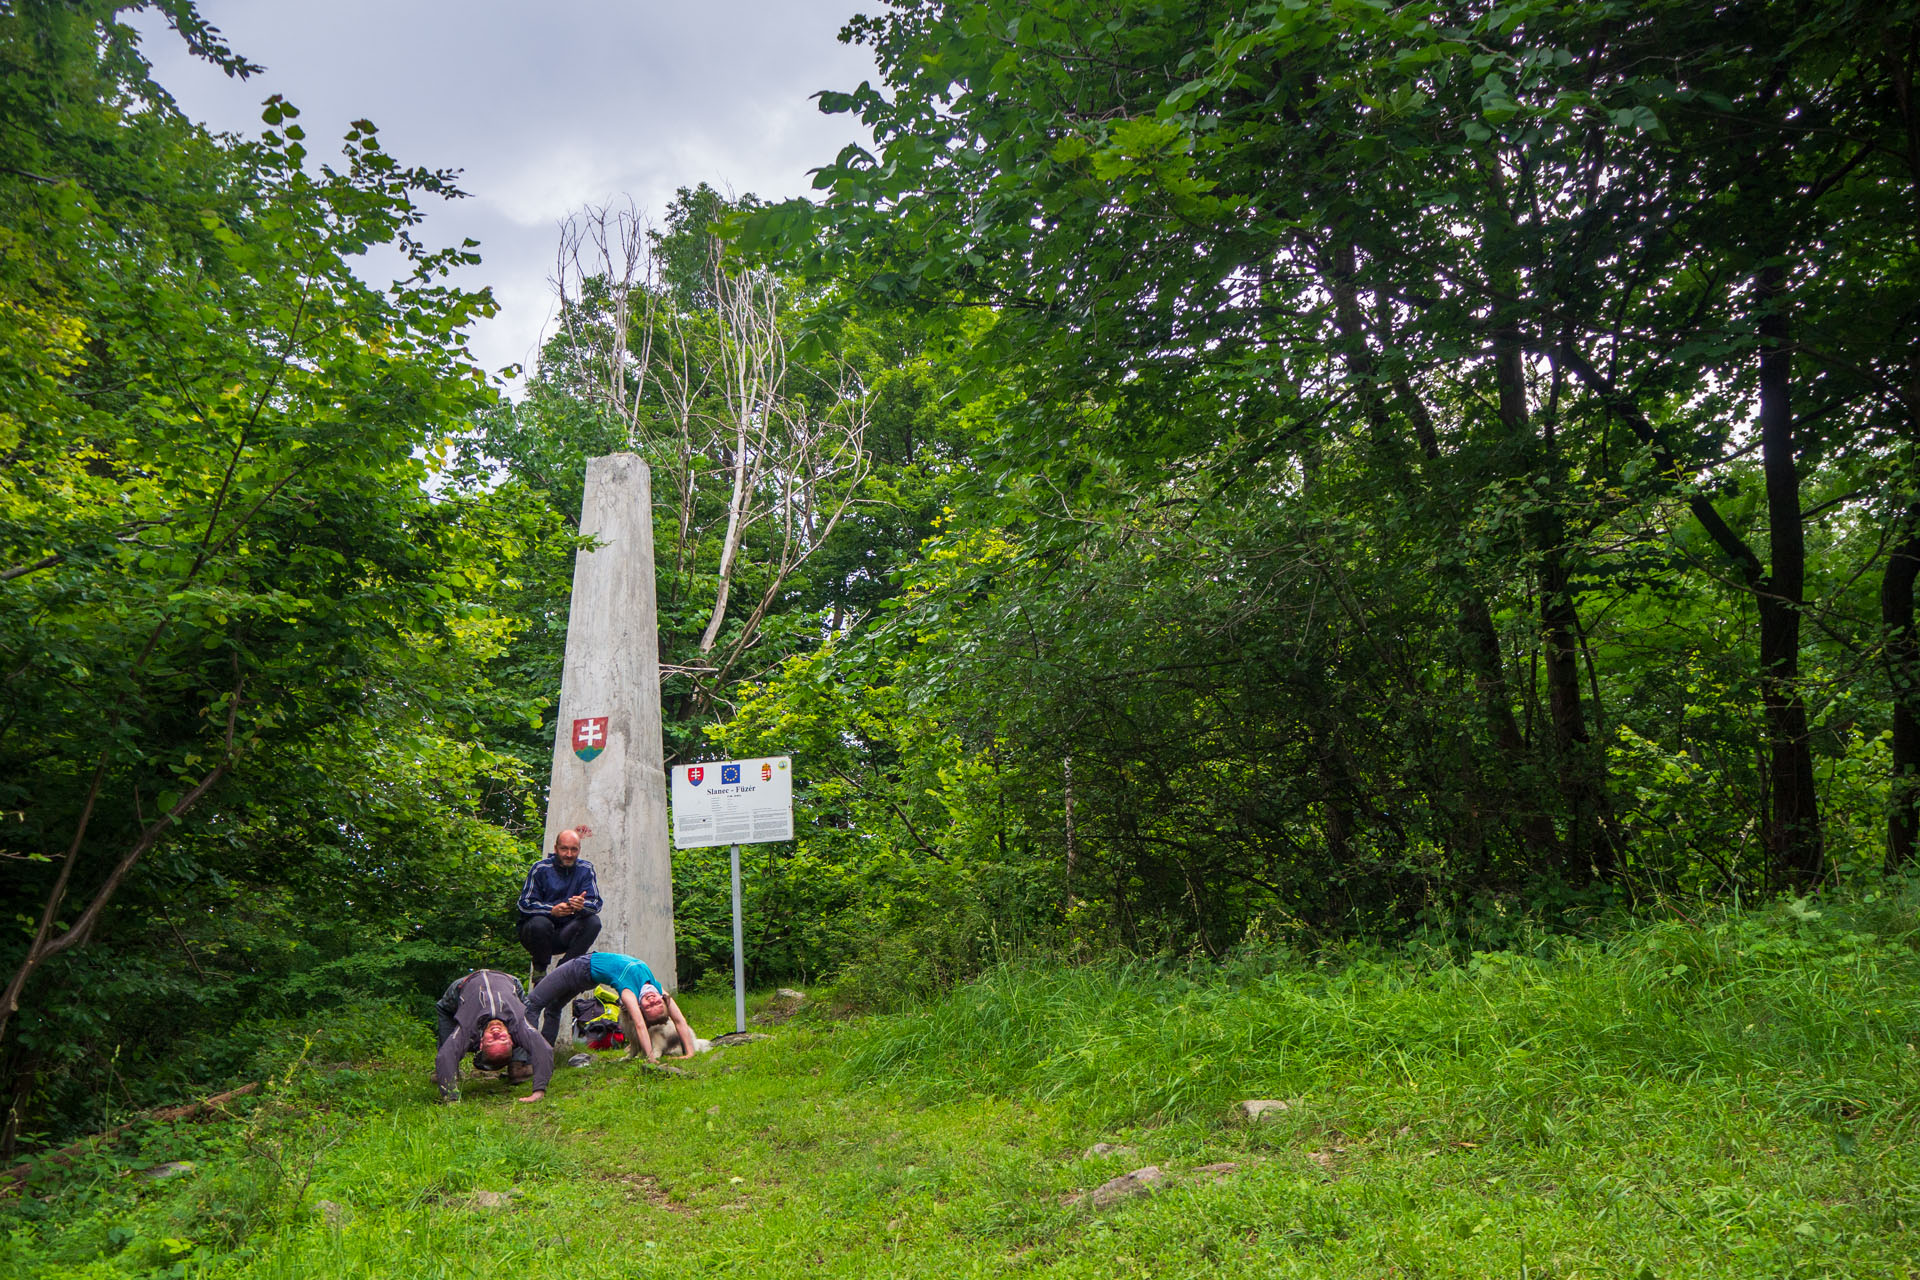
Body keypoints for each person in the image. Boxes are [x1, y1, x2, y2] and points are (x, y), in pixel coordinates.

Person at [525, 952, 699, 1062]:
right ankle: (543, 1058)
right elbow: (679, 1020)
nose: (652, 999)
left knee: (532, 1004)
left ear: (640, 1007)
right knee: (553, 1009)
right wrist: (690, 1052)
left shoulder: (629, 993)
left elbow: (639, 1025)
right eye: (657, 1003)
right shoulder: (657, 989)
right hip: (585, 974)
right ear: (663, 999)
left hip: (579, 969)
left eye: (649, 1005)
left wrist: (651, 1057)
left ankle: (526, 1061)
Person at [432, 969, 554, 1103]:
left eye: (492, 1040)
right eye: (502, 1039)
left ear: (482, 1042)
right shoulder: (518, 1025)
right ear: (511, 1039)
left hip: (464, 984)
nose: (496, 1033)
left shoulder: (467, 1028)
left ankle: (448, 1073)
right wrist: (539, 1091)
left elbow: (445, 1055)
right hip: (508, 979)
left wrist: (451, 1099)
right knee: (527, 1017)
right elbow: (544, 1049)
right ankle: (518, 1065)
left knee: (448, 1042)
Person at [516, 826, 603, 982]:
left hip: (565, 934)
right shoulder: (540, 868)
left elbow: (596, 903)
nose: (569, 854)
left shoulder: (586, 869)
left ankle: (564, 970)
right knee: (540, 923)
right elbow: (524, 903)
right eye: (564, 849)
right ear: (556, 848)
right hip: (536, 935)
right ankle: (540, 970)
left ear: (579, 850)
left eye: (573, 850)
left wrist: (581, 906)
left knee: (594, 922)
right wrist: (551, 910)